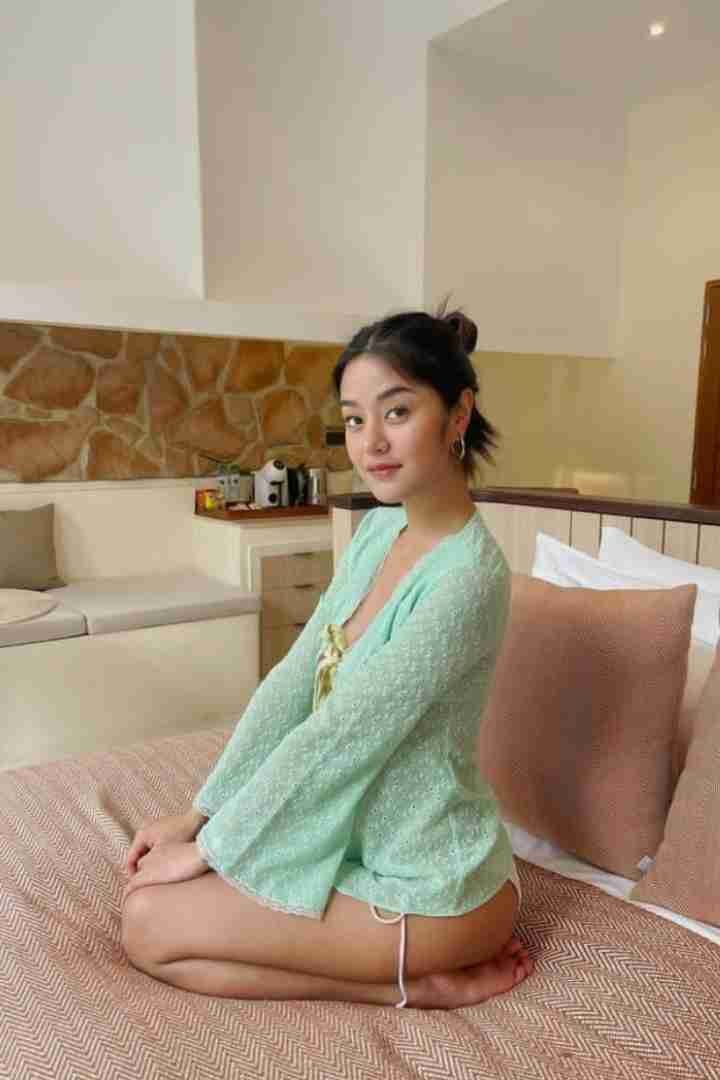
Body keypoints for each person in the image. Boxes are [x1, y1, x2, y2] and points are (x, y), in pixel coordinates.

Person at [121, 307, 534, 1009]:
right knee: (142, 909)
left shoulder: (470, 576)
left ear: (458, 414)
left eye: (397, 412)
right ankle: (409, 983)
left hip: (433, 884)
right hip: (342, 843)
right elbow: (292, 683)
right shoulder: (377, 532)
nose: (371, 443)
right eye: (353, 420)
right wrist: (201, 814)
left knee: (148, 926)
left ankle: (416, 987)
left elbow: (344, 731)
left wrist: (212, 850)